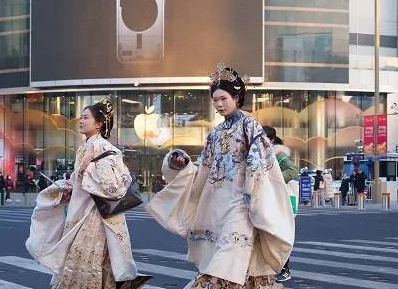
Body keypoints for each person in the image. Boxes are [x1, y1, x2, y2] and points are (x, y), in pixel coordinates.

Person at [147, 63, 295, 288]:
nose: (218, 104)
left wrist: (251, 192)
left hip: (242, 205)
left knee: (226, 261)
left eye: (223, 98)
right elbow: (204, 168)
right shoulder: (215, 133)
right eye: (215, 99)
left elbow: (262, 164)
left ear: (237, 97)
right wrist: (183, 163)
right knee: (233, 262)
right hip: (217, 206)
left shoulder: (250, 127)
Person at [27, 98, 149, 289]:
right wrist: (67, 188)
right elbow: (78, 180)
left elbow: (117, 183)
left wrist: (88, 170)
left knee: (87, 261)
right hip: (80, 210)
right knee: (83, 260)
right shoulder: (85, 147)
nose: (81, 121)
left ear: (99, 124)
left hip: (96, 216)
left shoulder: (106, 148)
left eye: (85, 117)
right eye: (81, 117)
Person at [263, 125, 299, 283]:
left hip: (280, 199)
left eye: (263, 138)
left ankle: (284, 269)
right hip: (267, 198)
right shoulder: (262, 154)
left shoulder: (279, 154)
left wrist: (274, 180)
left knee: (279, 234)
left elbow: (293, 170)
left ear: (271, 140)